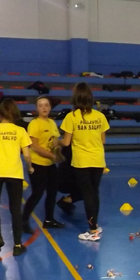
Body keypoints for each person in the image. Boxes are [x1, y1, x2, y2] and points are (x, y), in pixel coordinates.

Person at [59, 82, 110, 242]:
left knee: (87, 194)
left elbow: (66, 142)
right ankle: (95, 225)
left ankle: (93, 230)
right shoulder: (100, 116)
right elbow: (103, 140)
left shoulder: (71, 117)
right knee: (94, 193)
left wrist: (55, 142)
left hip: (82, 161)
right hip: (98, 160)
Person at [0, 99, 33, 256]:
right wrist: (30, 167)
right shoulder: (20, 131)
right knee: (15, 208)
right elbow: (27, 154)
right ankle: (17, 245)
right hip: (14, 172)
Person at [22, 96, 65, 233]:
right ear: (37, 108)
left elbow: (55, 142)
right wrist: (52, 156)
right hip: (37, 164)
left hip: (50, 164)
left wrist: (58, 153)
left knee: (52, 192)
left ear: (50, 107)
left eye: (46, 105)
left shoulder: (52, 123)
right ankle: (23, 221)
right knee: (37, 193)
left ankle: (49, 219)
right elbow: (34, 146)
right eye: (40, 106)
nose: (44, 108)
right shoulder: (34, 124)